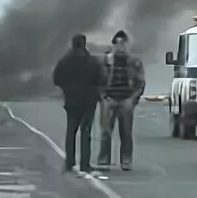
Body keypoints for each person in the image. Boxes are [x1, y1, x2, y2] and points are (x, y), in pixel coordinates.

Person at [52, 34, 104, 175]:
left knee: (71, 132)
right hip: (88, 100)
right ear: (84, 44)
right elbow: (101, 79)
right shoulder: (92, 61)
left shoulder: (64, 61)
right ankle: (84, 165)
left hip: (72, 100)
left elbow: (56, 79)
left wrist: (67, 88)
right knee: (85, 132)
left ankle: (69, 163)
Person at [97, 30, 145, 171]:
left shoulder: (135, 62)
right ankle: (104, 161)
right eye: (118, 44)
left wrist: (132, 99)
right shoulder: (105, 61)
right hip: (109, 99)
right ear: (113, 45)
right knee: (106, 131)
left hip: (126, 100)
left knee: (126, 132)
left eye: (123, 44)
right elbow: (97, 81)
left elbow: (140, 83)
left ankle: (126, 160)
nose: (121, 47)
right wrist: (102, 97)